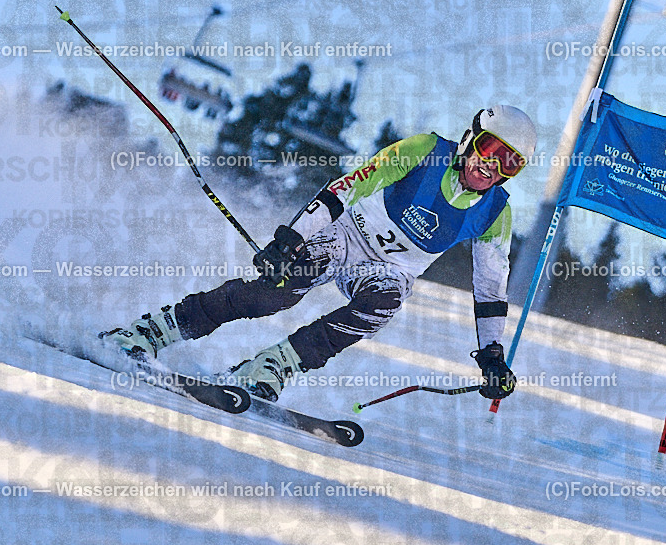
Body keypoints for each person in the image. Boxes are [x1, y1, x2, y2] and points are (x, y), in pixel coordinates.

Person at [100, 105, 537, 403]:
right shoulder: (427, 151)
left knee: (381, 307)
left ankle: (270, 368)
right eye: (491, 150)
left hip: (391, 270)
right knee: (274, 294)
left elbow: (490, 290)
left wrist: (493, 356)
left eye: (510, 164)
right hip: (348, 234)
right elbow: (350, 186)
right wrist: (291, 238)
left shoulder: (496, 213)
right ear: (470, 139)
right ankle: (155, 331)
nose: (492, 168)